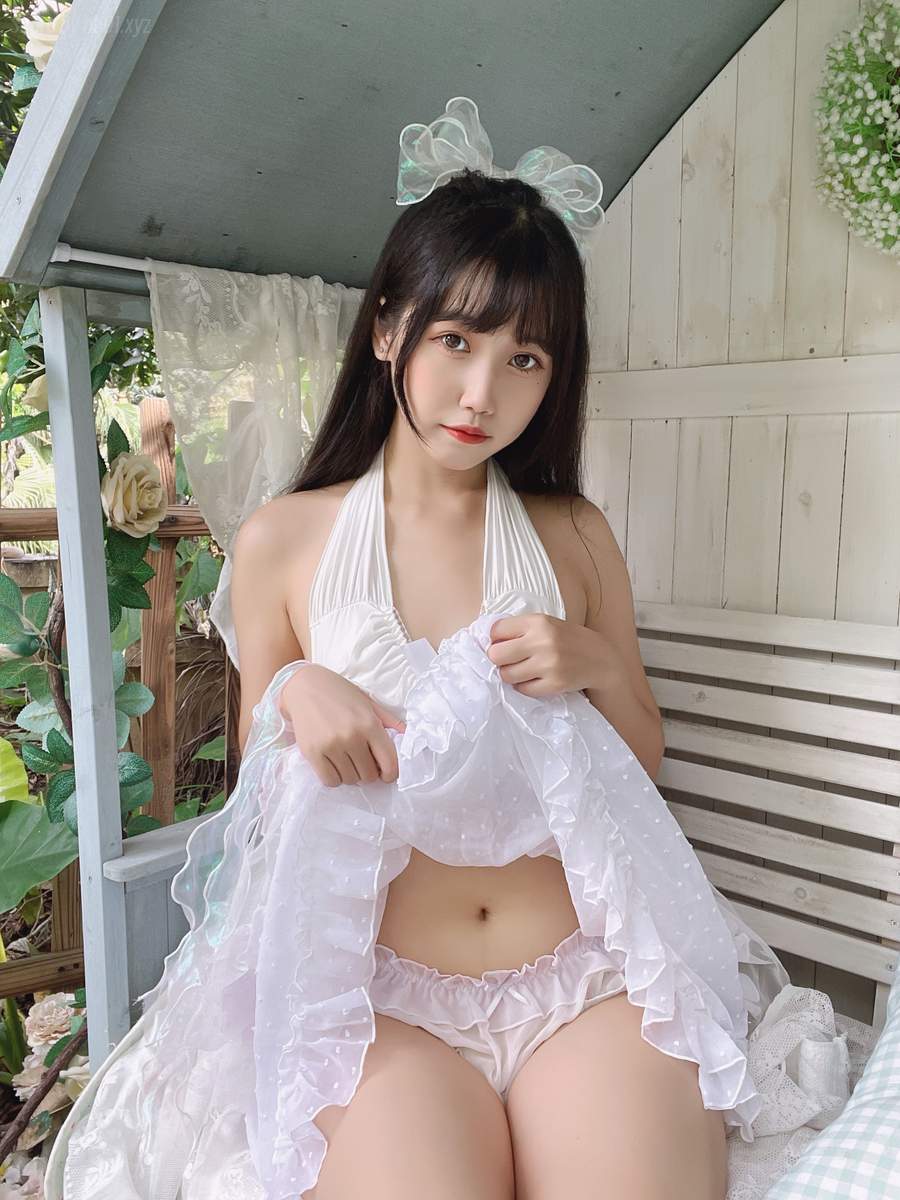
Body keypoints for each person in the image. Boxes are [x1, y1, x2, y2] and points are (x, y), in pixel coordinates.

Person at [45, 98, 848, 1200]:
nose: (482, 394)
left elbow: (641, 759)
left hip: (587, 981)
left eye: (525, 358)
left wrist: (597, 665)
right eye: (456, 341)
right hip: (378, 1002)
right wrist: (292, 690)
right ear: (388, 329)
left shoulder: (573, 533)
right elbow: (259, 818)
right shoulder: (285, 539)